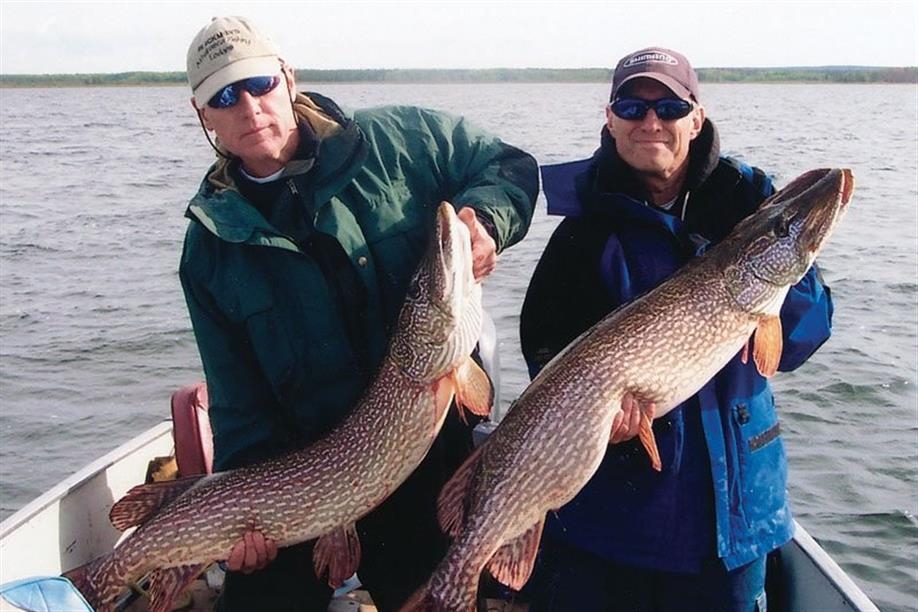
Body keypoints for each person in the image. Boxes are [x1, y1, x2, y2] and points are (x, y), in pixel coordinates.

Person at [179, 15, 538, 612]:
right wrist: (245, 521)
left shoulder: (400, 142)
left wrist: (487, 222)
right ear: (202, 115)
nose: (249, 107)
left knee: (442, 594)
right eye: (224, 96)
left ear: (288, 78)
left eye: (259, 84)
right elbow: (240, 404)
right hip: (298, 478)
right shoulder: (210, 246)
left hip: (425, 463)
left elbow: (507, 166)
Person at [519, 47, 833, 612]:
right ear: (610, 120)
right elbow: (544, 351)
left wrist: (792, 267)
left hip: (732, 519)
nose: (651, 122)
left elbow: (800, 343)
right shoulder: (582, 235)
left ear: (696, 118)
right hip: (613, 525)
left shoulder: (747, 204)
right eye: (631, 108)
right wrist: (600, 420)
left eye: (669, 107)